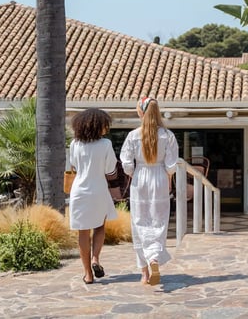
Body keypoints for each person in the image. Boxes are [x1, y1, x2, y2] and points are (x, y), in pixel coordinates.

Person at [120, 96, 179, 286]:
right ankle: (154, 258)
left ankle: (145, 273)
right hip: (159, 178)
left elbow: (126, 164)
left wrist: (134, 173)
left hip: (140, 178)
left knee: (139, 223)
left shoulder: (133, 135)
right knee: (158, 222)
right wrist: (167, 177)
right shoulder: (167, 136)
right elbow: (171, 166)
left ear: (141, 112)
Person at [68, 107, 119, 285]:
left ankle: (88, 274)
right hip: (98, 190)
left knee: (83, 231)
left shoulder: (75, 144)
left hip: (79, 191)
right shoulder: (105, 144)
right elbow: (110, 169)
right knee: (99, 226)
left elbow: (73, 165)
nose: (106, 128)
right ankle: (95, 258)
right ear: (98, 126)